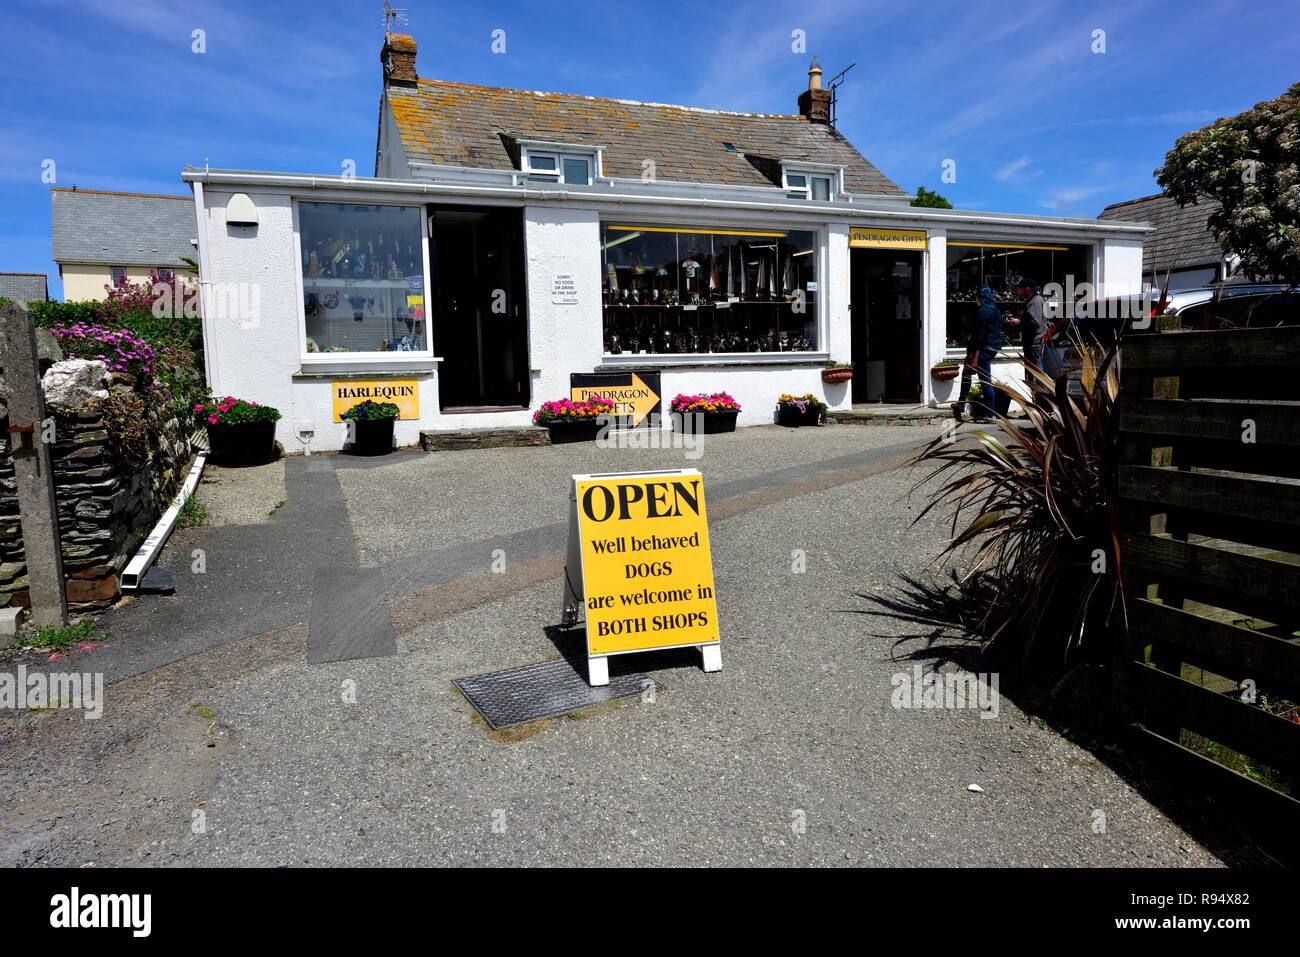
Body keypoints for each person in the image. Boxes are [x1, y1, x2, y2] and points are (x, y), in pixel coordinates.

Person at [952, 285, 1001, 423]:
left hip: (982, 349)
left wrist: (974, 356)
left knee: (985, 380)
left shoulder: (983, 311)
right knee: (968, 373)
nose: (976, 300)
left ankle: (990, 413)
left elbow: (979, 336)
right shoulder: (995, 310)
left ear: (980, 297)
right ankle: (961, 404)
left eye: (977, 297)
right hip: (991, 347)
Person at [1009, 277, 1045, 382]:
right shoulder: (1034, 300)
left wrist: (1018, 322)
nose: (1019, 292)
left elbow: (1034, 323)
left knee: (1034, 379)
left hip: (1034, 346)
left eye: (1020, 289)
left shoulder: (1035, 301)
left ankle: (1037, 398)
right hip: (1032, 345)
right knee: (1032, 377)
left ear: (1028, 289)